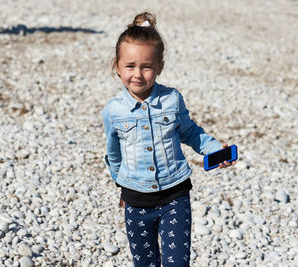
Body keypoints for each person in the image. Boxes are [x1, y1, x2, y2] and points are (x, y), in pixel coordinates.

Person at [101, 12, 235, 267]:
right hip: (136, 201)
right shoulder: (113, 110)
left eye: (147, 66)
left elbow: (191, 132)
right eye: (130, 66)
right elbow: (113, 153)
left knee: (177, 263)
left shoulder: (172, 100)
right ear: (117, 67)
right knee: (145, 263)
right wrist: (122, 186)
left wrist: (215, 150)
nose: (138, 74)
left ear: (159, 66)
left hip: (175, 195)